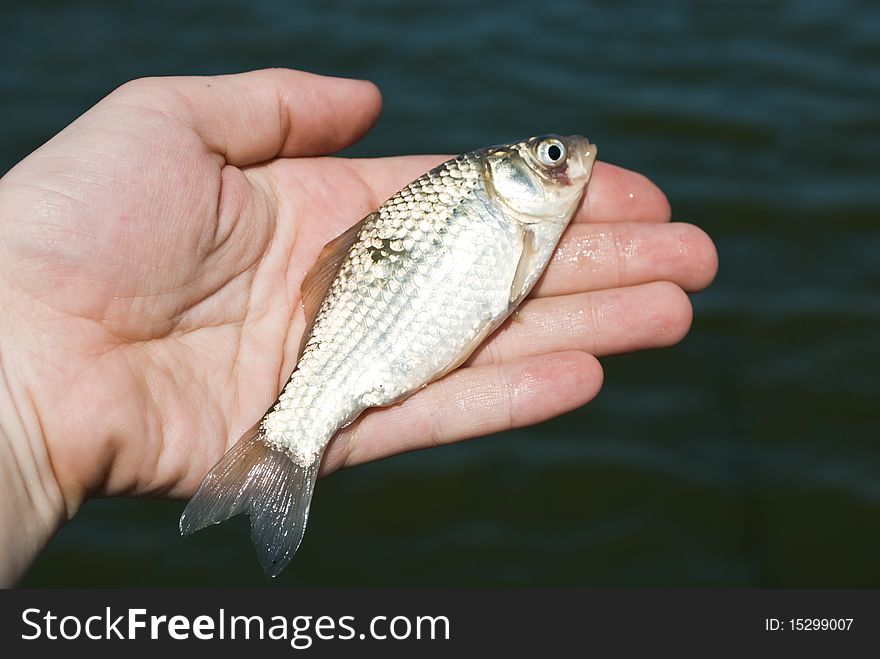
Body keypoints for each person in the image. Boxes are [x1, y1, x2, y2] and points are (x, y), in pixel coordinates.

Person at [0, 69, 718, 586]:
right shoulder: (486, 192)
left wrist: (26, 419)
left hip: (380, 322)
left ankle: (285, 443)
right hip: (367, 333)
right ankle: (287, 443)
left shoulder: (503, 204)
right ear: (511, 175)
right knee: (305, 421)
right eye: (550, 158)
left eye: (554, 155)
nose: (568, 162)